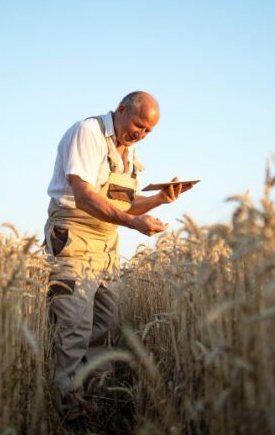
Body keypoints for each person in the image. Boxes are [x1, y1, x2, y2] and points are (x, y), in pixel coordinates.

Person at [43, 91, 193, 424]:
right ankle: (70, 416)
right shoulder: (88, 133)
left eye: (148, 131)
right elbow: (83, 196)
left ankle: (96, 406)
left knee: (105, 325)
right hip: (73, 237)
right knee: (74, 329)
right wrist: (134, 225)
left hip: (106, 243)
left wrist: (158, 200)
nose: (141, 134)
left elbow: (124, 204)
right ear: (122, 110)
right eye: (138, 125)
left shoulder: (130, 152)